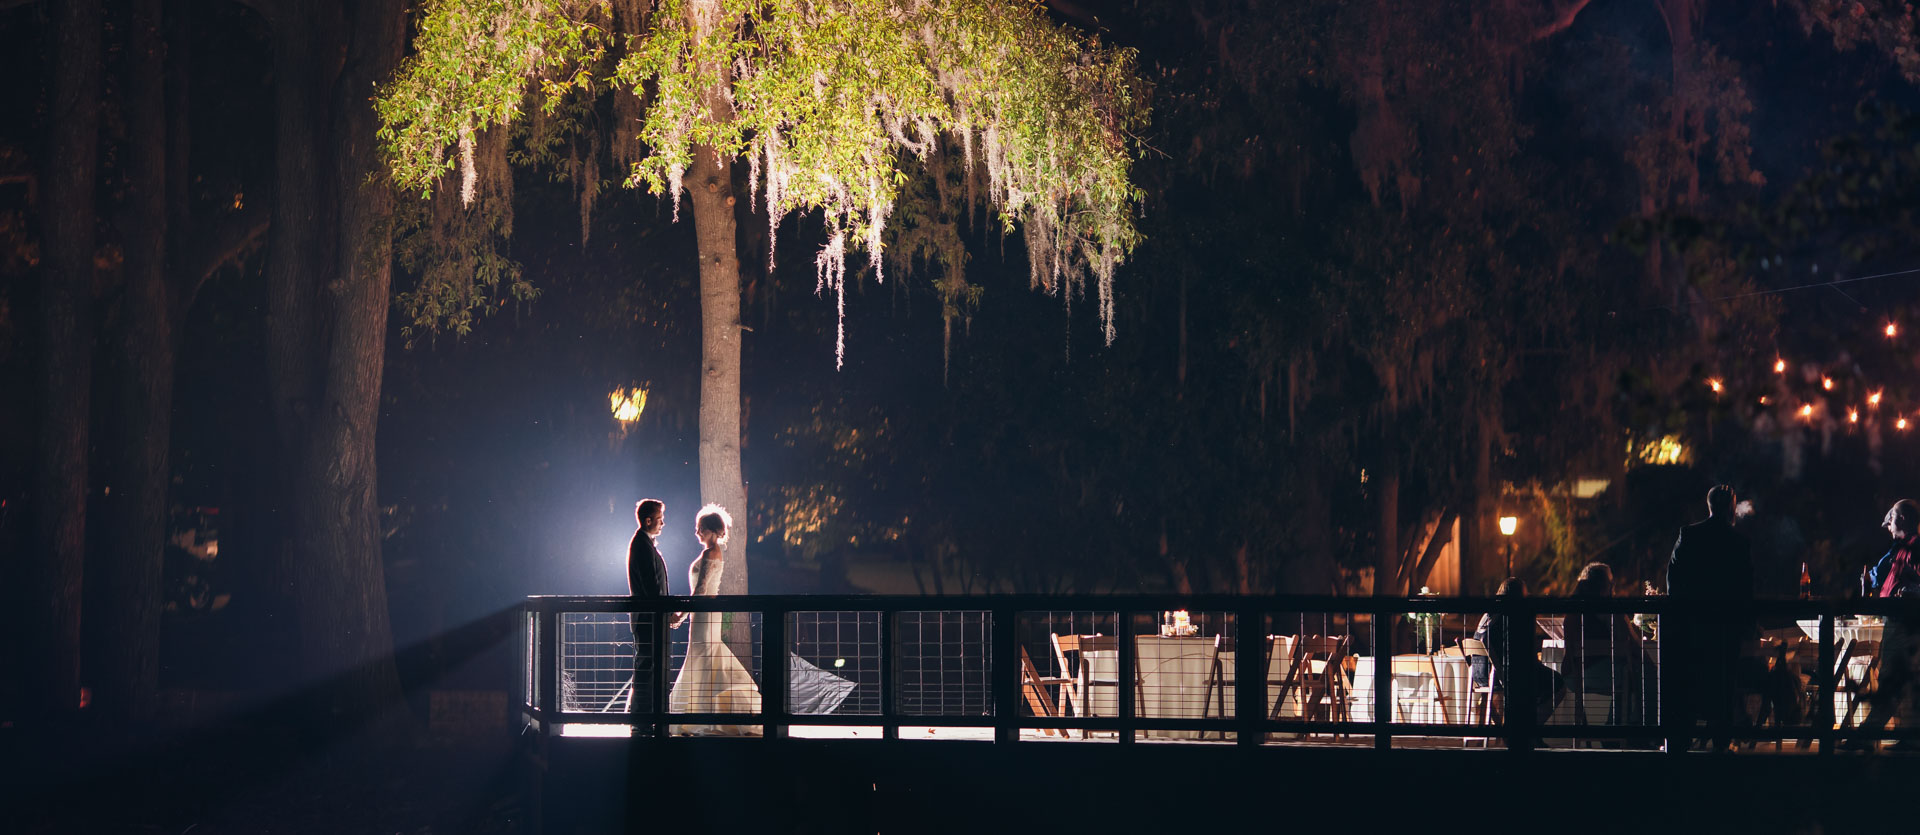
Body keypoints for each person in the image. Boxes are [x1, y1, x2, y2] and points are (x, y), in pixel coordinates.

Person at [1665, 484, 1753, 752]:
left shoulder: (1689, 535)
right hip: (1725, 629)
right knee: (1724, 686)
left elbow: (1673, 583)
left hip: (1691, 629)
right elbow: (1746, 589)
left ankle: (1680, 744)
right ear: (1731, 507)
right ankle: (1721, 744)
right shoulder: (1739, 543)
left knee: (1689, 684)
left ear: (1709, 506)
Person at [667, 504, 762, 735]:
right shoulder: (711, 552)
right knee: (704, 656)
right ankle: (703, 712)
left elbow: (700, 590)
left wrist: (680, 614)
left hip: (705, 612)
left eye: (700, 528)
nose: (697, 532)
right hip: (703, 612)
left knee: (705, 656)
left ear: (710, 530)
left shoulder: (710, 553)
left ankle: (705, 715)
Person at [1855, 500, 1920, 750]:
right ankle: (1908, 738)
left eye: (1891, 521)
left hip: (1905, 625)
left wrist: (1912, 590)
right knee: (1895, 681)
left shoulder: (1915, 549)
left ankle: (1865, 736)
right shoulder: (1900, 549)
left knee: (1891, 680)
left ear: (1901, 519)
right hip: (1897, 623)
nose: (1889, 527)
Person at [1472, 577, 1562, 743]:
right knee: (1557, 683)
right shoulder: (1511, 615)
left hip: (1480, 675)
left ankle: (1519, 730)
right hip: (1501, 673)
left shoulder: (1487, 614)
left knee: (1534, 682)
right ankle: (1528, 731)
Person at [1561, 563, 1640, 732]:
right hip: (1608, 675)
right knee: (1634, 675)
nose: (1614, 586)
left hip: (1573, 676)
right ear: (1606, 586)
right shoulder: (1612, 613)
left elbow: (1568, 652)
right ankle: (1626, 730)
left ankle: (1614, 728)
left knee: (1629, 674)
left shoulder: (1573, 611)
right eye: (1611, 582)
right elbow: (1632, 644)